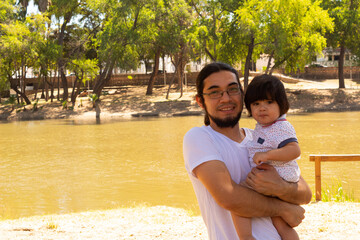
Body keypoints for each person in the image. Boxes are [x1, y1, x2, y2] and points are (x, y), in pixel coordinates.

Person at [183, 62, 312, 240]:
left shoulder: (260, 136)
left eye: (232, 89)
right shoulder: (199, 138)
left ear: (242, 95)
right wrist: (284, 208)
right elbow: (229, 197)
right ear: (200, 101)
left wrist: (280, 186)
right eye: (214, 92)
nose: (225, 98)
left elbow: (305, 193)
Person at [231, 74, 302, 240]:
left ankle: (246, 237)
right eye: (256, 104)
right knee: (280, 224)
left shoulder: (281, 127)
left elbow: (294, 150)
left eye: (269, 102)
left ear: (282, 105)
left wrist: (267, 154)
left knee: (238, 200)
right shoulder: (264, 127)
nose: (262, 108)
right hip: (276, 176)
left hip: (277, 176)